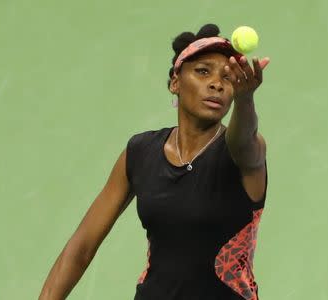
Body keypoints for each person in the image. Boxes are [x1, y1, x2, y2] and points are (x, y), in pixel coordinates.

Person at [39, 23, 270, 300]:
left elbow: (244, 137)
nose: (216, 84)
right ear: (175, 82)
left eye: (228, 78)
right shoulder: (140, 153)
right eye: (202, 71)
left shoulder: (242, 153)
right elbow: (81, 247)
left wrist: (246, 101)